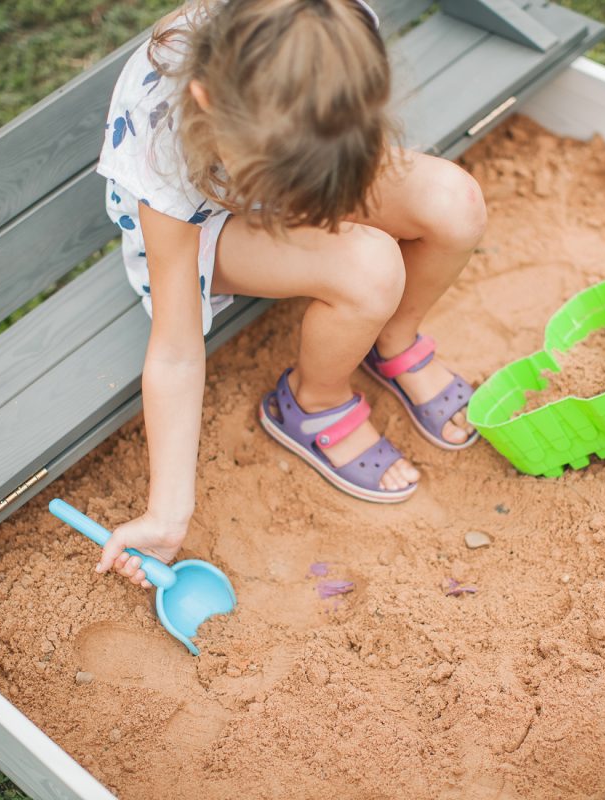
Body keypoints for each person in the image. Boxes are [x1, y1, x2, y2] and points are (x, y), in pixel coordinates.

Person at [93, 0, 487, 588]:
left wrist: (318, 183)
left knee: (455, 203)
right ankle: (314, 402)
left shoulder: (333, 30)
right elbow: (175, 347)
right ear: (206, 101)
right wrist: (166, 513)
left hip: (304, 166)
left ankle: (392, 337)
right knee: (371, 266)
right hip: (205, 224)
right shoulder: (166, 134)